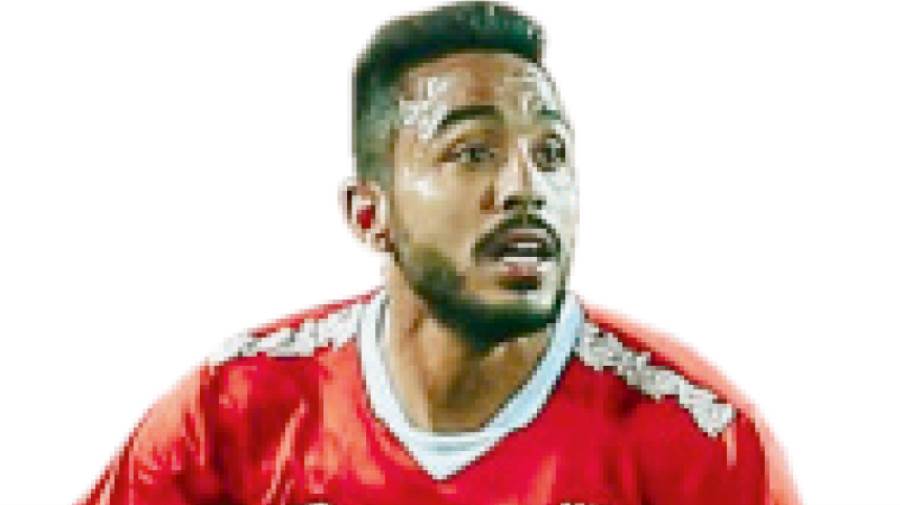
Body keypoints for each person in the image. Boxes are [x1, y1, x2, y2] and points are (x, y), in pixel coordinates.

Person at [80, 2, 799, 504]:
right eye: (473, 151)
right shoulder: (235, 412)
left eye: (551, 153)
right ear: (370, 215)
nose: (526, 188)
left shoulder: (700, 444)